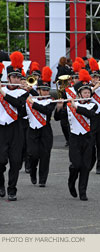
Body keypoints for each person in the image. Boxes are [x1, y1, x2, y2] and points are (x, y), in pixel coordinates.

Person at [55, 70, 98, 201]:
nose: (87, 94)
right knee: (76, 164)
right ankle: (71, 180)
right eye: (84, 92)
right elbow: (57, 118)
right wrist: (59, 107)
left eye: (88, 92)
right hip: (74, 138)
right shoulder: (69, 105)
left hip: (87, 138)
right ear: (79, 93)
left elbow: (89, 114)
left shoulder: (93, 105)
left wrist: (75, 106)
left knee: (85, 166)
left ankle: (83, 191)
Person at [0, 51, 29, 201]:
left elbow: (18, 104)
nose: (16, 79)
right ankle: (1, 184)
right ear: (8, 77)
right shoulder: (2, 88)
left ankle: (12, 189)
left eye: (19, 77)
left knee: (16, 161)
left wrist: (3, 94)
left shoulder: (23, 93)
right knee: (0, 160)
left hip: (16, 129)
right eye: (14, 77)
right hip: (1, 129)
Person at [89, 58, 100, 174]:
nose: (95, 79)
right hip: (91, 117)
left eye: (97, 77)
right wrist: (95, 87)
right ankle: (92, 161)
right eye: (93, 77)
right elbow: (86, 94)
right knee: (91, 142)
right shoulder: (87, 88)